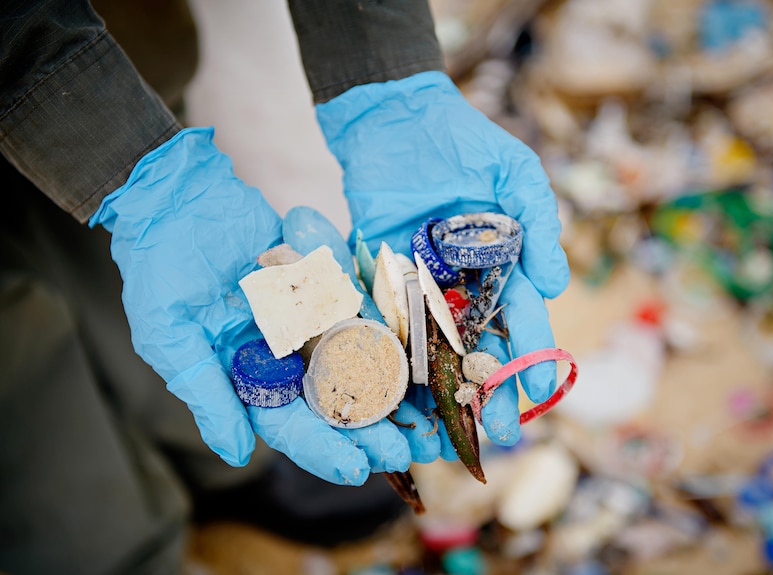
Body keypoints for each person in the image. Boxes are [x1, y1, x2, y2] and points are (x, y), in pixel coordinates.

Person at [0, 0, 571, 573]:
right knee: (19, 350)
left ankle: (216, 464)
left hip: (110, 47)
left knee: (137, 268)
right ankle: (118, 552)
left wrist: (387, 68)